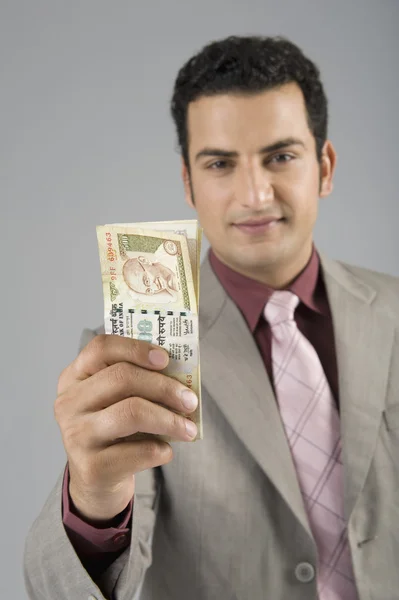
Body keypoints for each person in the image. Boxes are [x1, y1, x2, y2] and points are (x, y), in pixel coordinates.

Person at [24, 35, 399, 600]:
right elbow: (57, 589)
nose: (254, 193)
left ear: (324, 166)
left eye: (280, 156)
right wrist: (94, 500)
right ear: (189, 185)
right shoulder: (132, 356)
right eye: (220, 163)